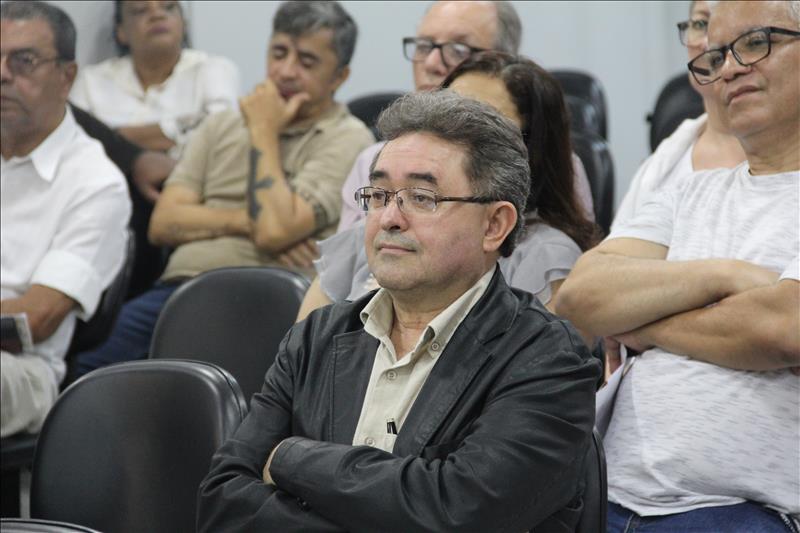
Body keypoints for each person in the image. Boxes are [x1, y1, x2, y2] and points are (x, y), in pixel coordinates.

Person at [198, 90, 601, 533]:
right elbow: (223, 500)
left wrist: (292, 458)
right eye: (378, 194)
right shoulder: (317, 338)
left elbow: (460, 511)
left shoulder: (545, 356)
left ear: (494, 225)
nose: (389, 217)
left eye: (421, 197)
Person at [555, 0, 800, 529]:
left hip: (747, 510)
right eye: (715, 56)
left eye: (756, 43)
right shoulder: (688, 193)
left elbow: (783, 328)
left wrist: (641, 323)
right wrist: (724, 276)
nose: (730, 68)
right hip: (606, 495)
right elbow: (579, 298)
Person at [70, 0, 374, 379]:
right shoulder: (222, 125)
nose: (285, 71)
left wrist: (264, 131)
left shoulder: (347, 138)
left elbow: (274, 230)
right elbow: (164, 222)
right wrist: (249, 222)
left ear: (340, 77)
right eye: (279, 53)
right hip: (178, 289)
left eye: (307, 62)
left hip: (267, 295)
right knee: (84, 369)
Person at [297, 52, 602, 324]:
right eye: (447, 112)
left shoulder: (546, 254)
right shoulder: (375, 229)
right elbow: (301, 364)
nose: (452, 133)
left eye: (484, 122)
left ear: (530, 147)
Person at [1, 1, 131, 436]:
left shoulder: (96, 182)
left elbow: (34, 321)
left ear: (67, 76)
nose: (2, 74)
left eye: (23, 61)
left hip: (22, 371)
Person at [612, 0, 746, 229]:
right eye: (701, 23)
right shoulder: (664, 161)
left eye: (726, 23)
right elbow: (609, 258)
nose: (708, 42)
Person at [70, 0, 240, 158]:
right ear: (121, 31)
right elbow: (73, 143)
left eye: (168, 7)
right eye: (141, 11)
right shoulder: (90, 81)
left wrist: (114, 138)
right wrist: (183, 130)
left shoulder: (213, 69)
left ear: (184, 23)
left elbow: (220, 135)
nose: (157, 16)